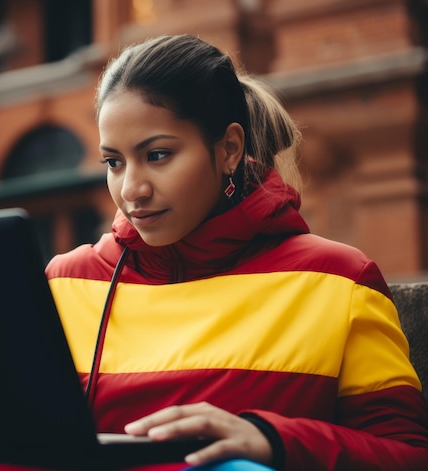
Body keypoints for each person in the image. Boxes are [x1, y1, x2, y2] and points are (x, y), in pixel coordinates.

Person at [45, 34, 428, 470]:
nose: (131, 189)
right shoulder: (63, 282)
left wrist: (272, 438)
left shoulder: (340, 280)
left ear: (229, 148)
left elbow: (410, 456)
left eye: (158, 154)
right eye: (113, 162)